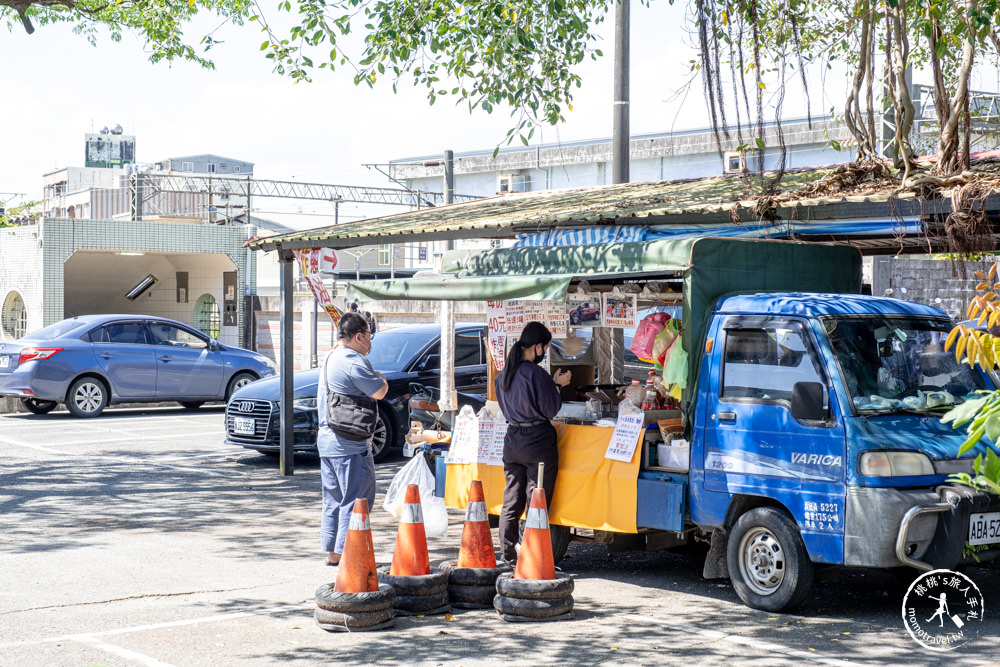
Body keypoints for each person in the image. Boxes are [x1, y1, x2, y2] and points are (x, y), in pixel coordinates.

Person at [494, 321, 572, 564]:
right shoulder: (537, 374)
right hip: (537, 442)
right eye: (546, 348)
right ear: (538, 347)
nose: (545, 353)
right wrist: (557, 385)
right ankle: (531, 556)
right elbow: (551, 409)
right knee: (536, 500)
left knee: (511, 501)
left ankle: (507, 556)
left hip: (512, 441)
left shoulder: (503, 375)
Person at [317, 312, 388, 566]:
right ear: (359, 336)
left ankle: (334, 552)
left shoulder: (331, 356)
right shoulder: (352, 360)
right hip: (350, 444)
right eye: (369, 335)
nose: (370, 341)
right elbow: (379, 391)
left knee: (333, 499)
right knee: (357, 498)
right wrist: (381, 378)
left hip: (327, 442)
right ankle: (351, 552)